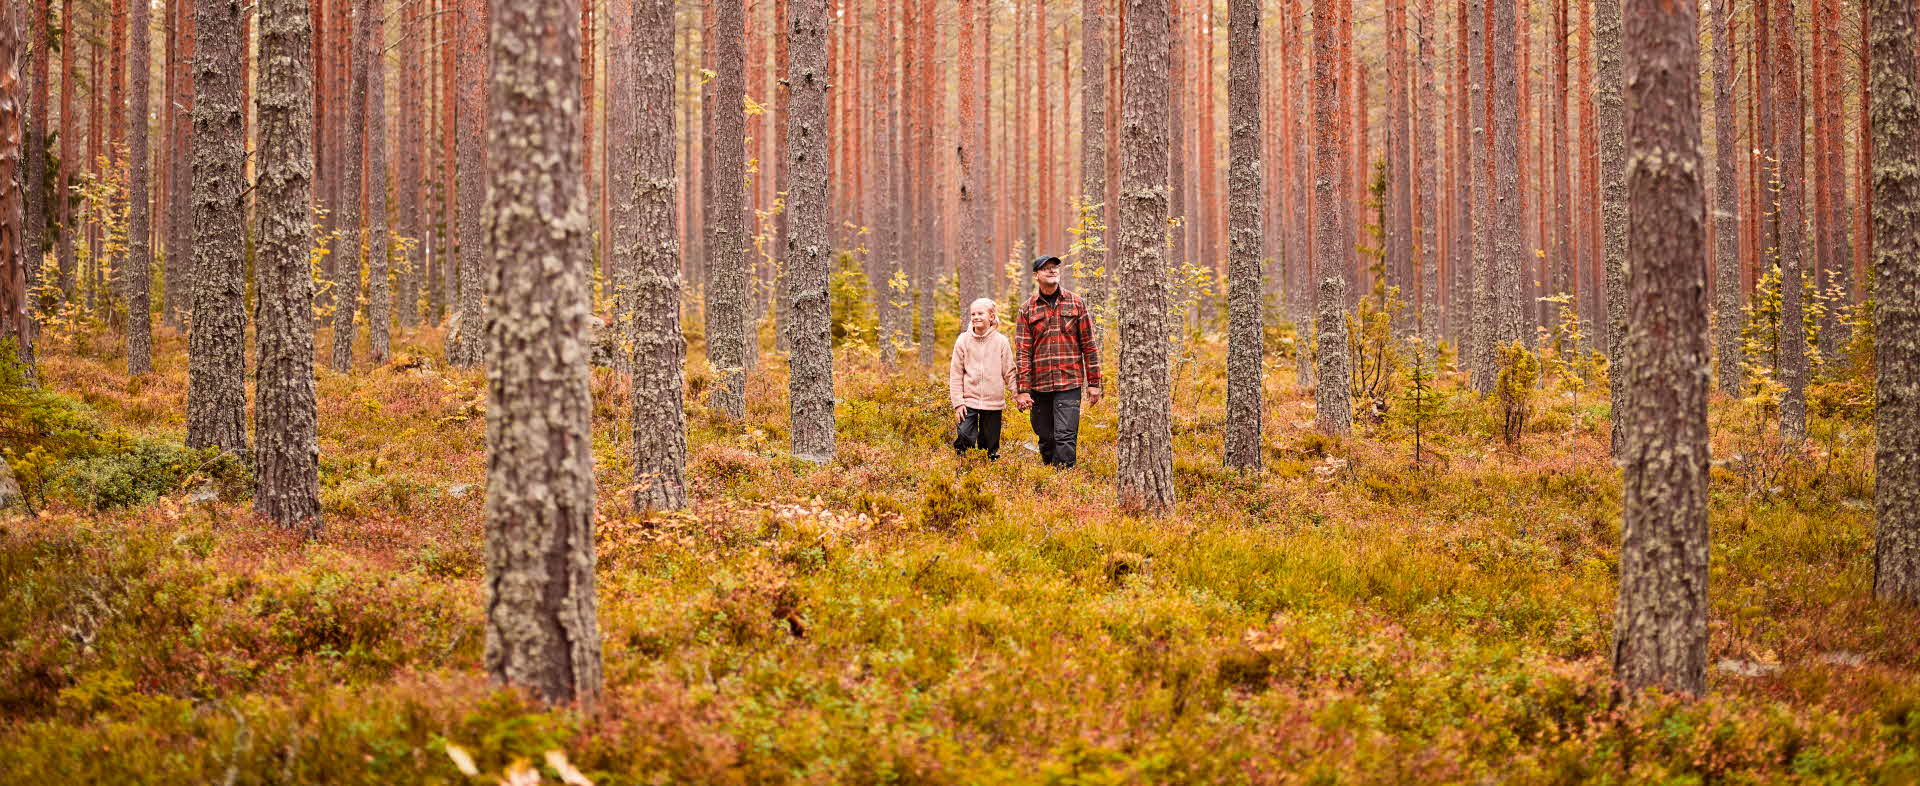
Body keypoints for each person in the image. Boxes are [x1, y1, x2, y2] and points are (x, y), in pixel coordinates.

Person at [1013, 256, 1102, 468]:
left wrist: (1094, 383)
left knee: (1065, 436)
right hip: (1039, 385)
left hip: (1069, 382)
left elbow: (1089, 345)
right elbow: (1023, 352)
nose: (1052, 271)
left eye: (1054, 268)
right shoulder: (1027, 309)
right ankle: (1050, 478)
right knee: (1046, 437)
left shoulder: (1076, 302)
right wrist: (1023, 390)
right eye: (1046, 269)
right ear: (1036, 276)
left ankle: (1065, 482)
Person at [950, 297, 1016, 459]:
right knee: (964, 438)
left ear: (991, 317)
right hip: (968, 401)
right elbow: (956, 374)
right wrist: (958, 403)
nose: (976, 317)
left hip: (993, 403)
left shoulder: (1001, 342)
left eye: (980, 313)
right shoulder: (963, 340)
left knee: (989, 448)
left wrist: (1018, 393)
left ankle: (988, 473)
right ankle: (963, 472)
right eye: (973, 314)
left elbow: (1009, 371)